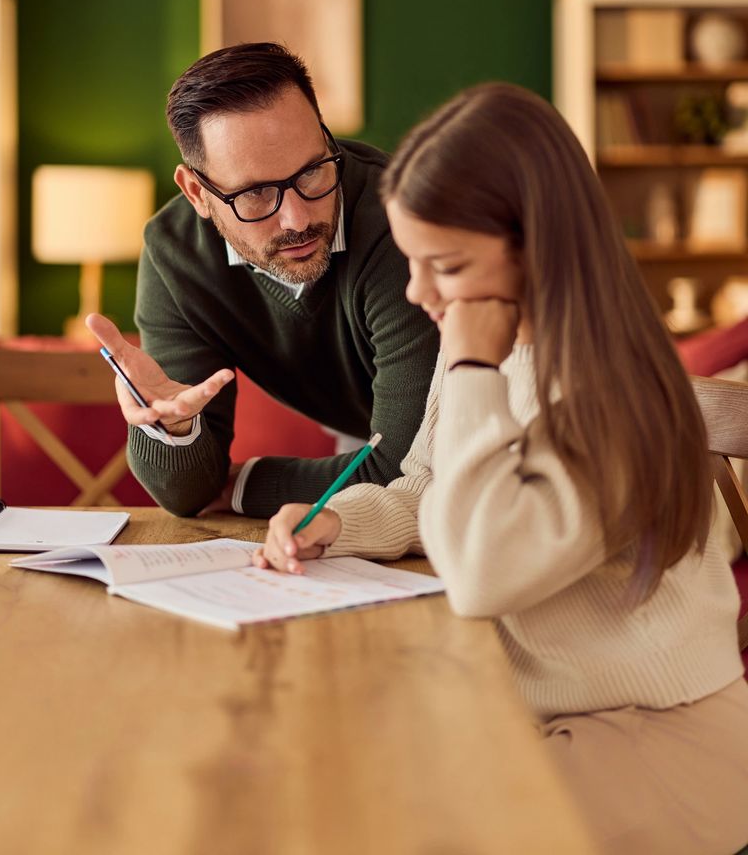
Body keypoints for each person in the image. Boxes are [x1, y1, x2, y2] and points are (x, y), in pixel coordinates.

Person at [256, 82, 748, 855]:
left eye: (444, 266)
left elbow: (484, 566)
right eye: (412, 262)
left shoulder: (610, 392)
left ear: (535, 245)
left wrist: (475, 364)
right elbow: (429, 487)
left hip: (658, 737)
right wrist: (336, 524)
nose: (418, 294)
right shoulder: (485, 348)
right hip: (539, 713)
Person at [87, 42, 439, 519]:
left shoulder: (401, 221)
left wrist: (241, 486)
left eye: (313, 170)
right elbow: (185, 494)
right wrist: (173, 430)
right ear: (197, 193)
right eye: (255, 194)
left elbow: (406, 470)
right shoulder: (176, 256)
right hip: (365, 444)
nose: (296, 218)